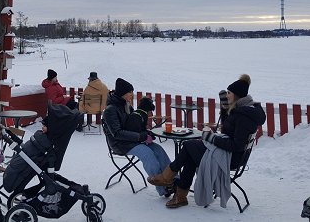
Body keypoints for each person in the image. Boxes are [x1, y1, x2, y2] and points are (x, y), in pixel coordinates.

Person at [148, 74, 266, 209]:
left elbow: (237, 146)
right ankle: (179, 194)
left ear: (237, 96)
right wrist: (225, 108)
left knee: (188, 146)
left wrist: (211, 138)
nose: (227, 95)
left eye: (229, 93)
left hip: (231, 158)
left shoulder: (243, 117)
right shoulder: (243, 110)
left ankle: (169, 179)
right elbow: (229, 130)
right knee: (190, 153)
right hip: (229, 153)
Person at [102, 78, 172, 197]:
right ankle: (163, 188)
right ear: (122, 93)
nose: (132, 94)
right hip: (120, 144)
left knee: (158, 150)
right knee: (147, 153)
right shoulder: (110, 110)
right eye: (129, 92)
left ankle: (173, 180)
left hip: (133, 140)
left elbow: (136, 123)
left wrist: (147, 133)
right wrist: (140, 136)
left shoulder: (126, 105)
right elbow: (117, 133)